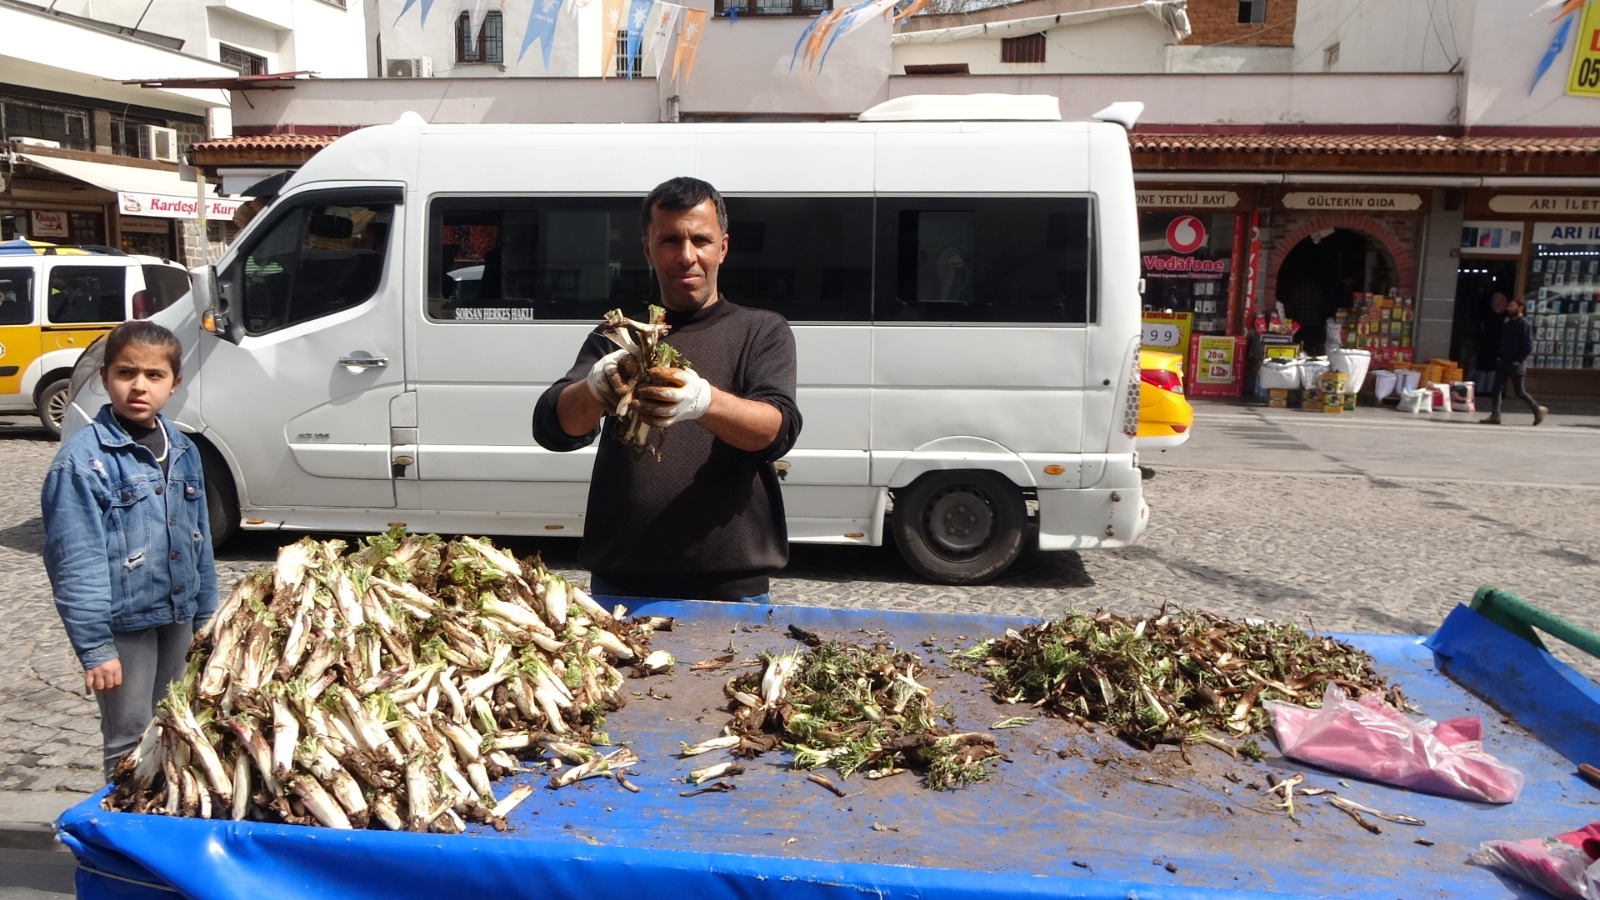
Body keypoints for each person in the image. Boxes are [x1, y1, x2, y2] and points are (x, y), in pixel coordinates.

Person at [532, 176, 802, 603]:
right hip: (622, 583)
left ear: (723, 247)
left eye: (701, 240)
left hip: (732, 587)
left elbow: (776, 431)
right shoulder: (621, 336)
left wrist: (704, 401)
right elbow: (554, 427)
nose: (687, 256)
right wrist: (595, 387)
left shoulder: (761, 330)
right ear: (647, 249)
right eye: (670, 241)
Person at [41, 321, 218, 778]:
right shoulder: (82, 462)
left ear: (174, 383)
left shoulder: (183, 449)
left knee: (177, 724)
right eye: (126, 373)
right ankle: (122, 832)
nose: (139, 386)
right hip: (125, 626)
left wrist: (206, 617)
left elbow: (199, 540)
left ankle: (163, 818)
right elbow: (75, 561)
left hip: (178, 617)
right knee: (130, 733)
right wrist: (96, 648)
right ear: (105, 378)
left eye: (154, 375)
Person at [1479, 295, 1547, 426]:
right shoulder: (1508, 323)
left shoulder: (1524, 324)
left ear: (1520, 308)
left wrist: (1519, 360)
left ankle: (1537, 409)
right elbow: (1503, 341)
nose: (1509, 309)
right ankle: (1495, 415)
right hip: (1503, 360)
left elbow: (1528, 345)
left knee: (1519, 391)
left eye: (1512, 306)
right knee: (1496, 388)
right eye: (1509, 306)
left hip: (1516, 363)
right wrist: (1499, 355)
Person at [1473, 291, 1507, 397]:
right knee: (1482, 370)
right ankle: (1480, 391)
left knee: (1494, 371)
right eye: (1495, 301)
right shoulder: (1485, 315)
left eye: (1500, 301)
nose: (1497, 303)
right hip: (1484, 347)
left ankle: (1491, 392)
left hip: (1499, 349)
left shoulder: (1507, 319)